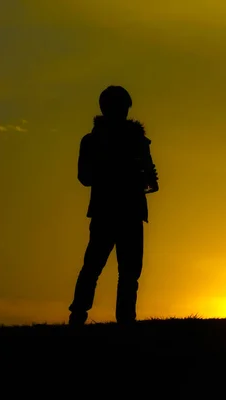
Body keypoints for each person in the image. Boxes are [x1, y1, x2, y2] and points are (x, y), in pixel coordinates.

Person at [68, 85, 158, 326]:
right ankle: (116, 320)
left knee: (107, 270)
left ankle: (83, 317)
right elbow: (85, 177)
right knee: (107, 270)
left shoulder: (97, 140)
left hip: (112, 211)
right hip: (120, 211)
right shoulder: (103, 141)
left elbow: (85, 177)